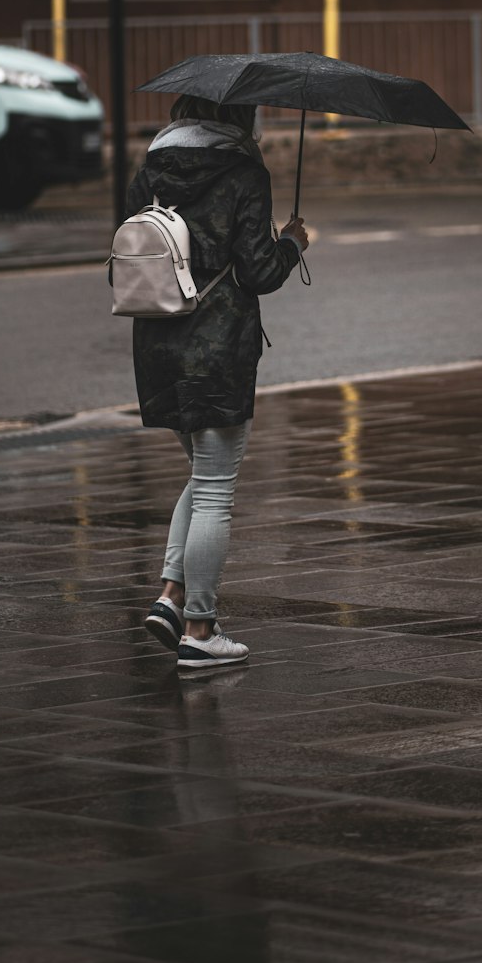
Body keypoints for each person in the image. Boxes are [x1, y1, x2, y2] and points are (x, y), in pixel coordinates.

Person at [127, 94, 308, 671]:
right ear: (239, 116)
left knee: (203, 475)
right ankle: (201, 630)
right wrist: (293, 243)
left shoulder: (149, 170)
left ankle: (172, 598)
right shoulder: (243, 172)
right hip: (217, 343)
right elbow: (258, 270)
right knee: (214, 487)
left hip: (155, 337)